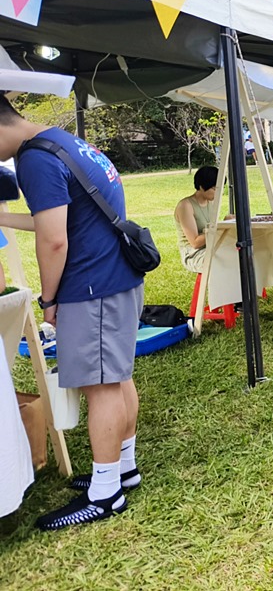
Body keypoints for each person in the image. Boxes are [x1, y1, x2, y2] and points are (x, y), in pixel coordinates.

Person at [0, 98, 144, 530]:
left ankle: (106, 493)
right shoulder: (62, 142)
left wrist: (49, 300)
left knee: (100, 386)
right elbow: (60, 219)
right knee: (117, 377)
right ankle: (123, 467)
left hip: (90, 285)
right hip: (118, 276)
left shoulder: (33, 161)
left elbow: (55, 241)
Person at [174, 166, 218, 273]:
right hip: (193, 254)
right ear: (202, 187)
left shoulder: (211, 202)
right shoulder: (185, 206)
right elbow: (194, 242)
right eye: (214, 188)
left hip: (211, 247)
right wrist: (219, 228)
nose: (217, 192)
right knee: (223, 261)